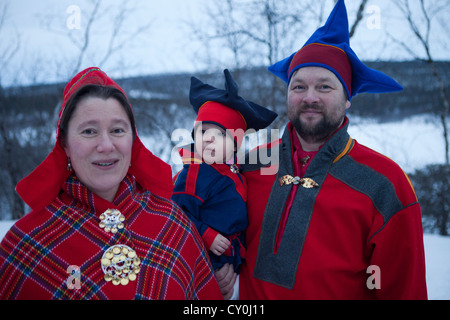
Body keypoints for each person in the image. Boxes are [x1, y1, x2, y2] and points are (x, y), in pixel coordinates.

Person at [218, 0, 427, 299]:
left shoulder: (386, 184)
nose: (309, 97)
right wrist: (220, 264)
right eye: (299, 87)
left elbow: (403, 290)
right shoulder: (250, 165)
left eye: (325, 87)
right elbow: (212, 223)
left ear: (347, 98)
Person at [0, 67, 222, 300]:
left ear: (133, 140)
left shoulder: (173, 224)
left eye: (117, 130)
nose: (106, 145)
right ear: (64, 142)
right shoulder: (27, 244)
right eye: (89, 131)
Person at [171, 69, 277, 299]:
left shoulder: (236, 172)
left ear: (234, 145)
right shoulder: (195, 173)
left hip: (233, 261)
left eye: (219, 134)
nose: (208, 138)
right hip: (202, 259)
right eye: (203, 131)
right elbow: (176, 214)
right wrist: (206, 235)